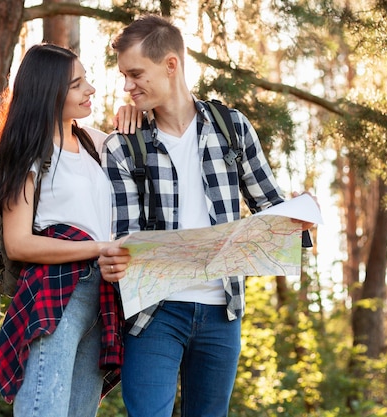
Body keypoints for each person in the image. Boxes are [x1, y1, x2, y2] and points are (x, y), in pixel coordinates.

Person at [98, 15, 316, 417]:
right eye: (124, 77)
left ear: (171, 64)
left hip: (222, 312)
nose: (127, 86)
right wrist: (113, 261)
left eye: (135, 74)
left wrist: (298, 218)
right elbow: (125, 239)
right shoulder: (123, 146)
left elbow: (270, 205)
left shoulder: (232, 129)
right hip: (153, 315)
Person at [0, 43, 130, 417]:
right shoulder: (26, 152)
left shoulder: (94, 142)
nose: (91, 90)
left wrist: (132, 112)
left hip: (104, 297)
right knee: (42, 410)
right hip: (58, 291)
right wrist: (98, 248)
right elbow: (17, 243)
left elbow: (150, 140)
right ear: (49, 92)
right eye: (77, 84)